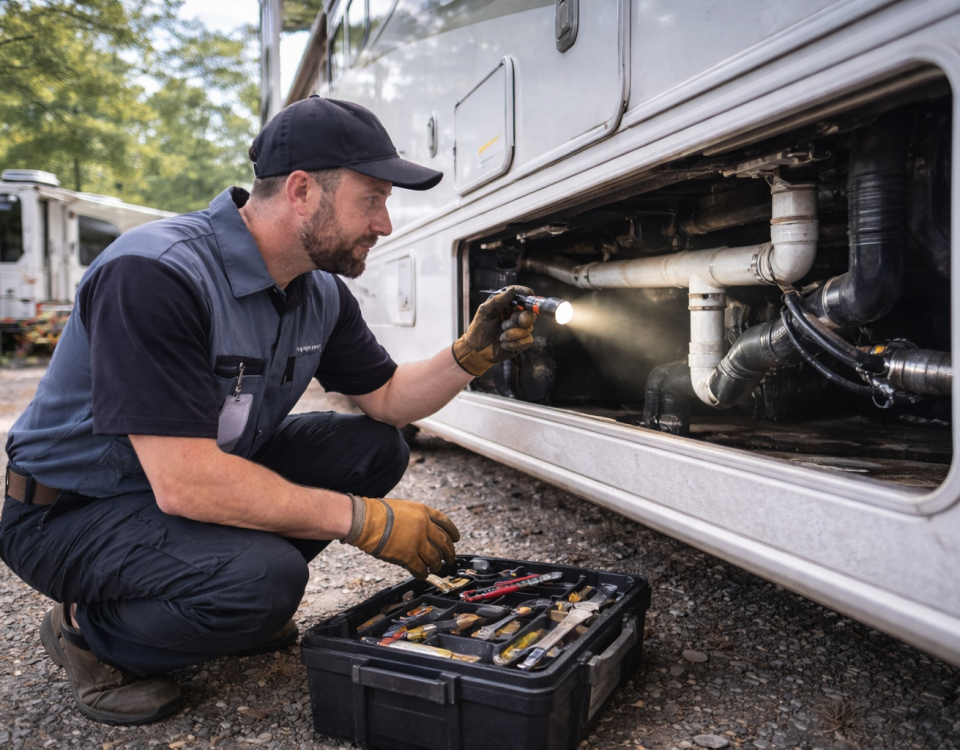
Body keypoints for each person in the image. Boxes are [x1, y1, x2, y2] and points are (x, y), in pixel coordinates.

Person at [0, 96, 537, 725]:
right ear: (303, 191)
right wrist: (365, 521)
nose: (385, 224)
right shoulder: (154, 273)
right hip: (70, 513)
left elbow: (389, 399)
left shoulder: (318, 292)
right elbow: (186, 481)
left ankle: (214, 596)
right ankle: (88, 633)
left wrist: (469, 356)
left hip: (176, 486)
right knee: (263, 583)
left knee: (374, 448)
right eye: (373, 199)